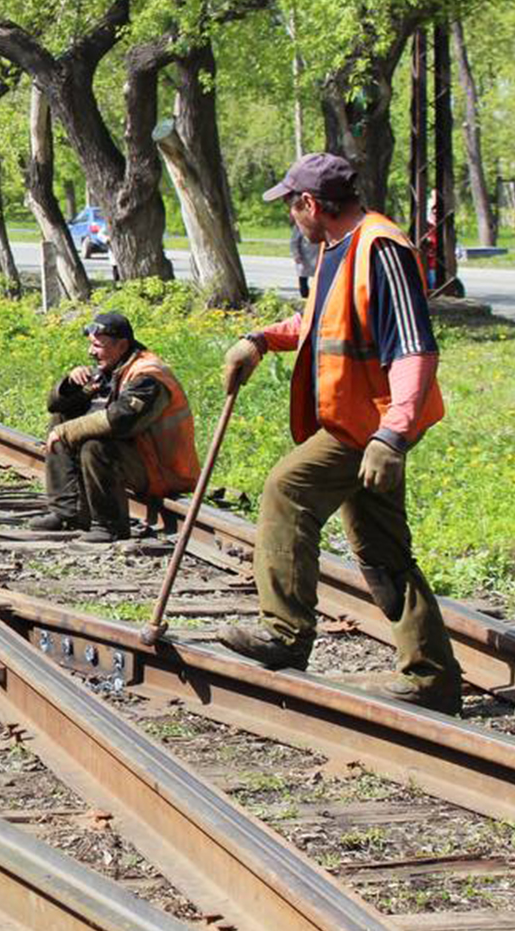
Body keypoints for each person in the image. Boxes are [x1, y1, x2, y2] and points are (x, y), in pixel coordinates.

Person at [219, 151, 463, 715]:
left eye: (290, 207)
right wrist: (259, 339)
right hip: (358, 422)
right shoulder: (337, 249)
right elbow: (319, 323)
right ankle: (431, 675)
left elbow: (414, 348)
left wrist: (392, 435)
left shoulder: (381, 249)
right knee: (379, 547)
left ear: (310, 205)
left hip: (368, 425)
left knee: (288, 488)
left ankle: (284, 633)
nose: (290, 218)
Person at [28, 312, 200, 543]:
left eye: (98, 346)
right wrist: (71, 384)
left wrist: (64, 433)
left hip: (162, 470)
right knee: (62, 418)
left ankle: (110, 527)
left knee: (96, 447)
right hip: (140, 457)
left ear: (122, 345)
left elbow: (121, 420)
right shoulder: (115, 366)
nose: (91, 352)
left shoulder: (148, 376)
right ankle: (67, 514)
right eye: (91, 345)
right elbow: (55, 406)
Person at [289, 223, 320, 299]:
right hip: (304, 256)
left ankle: (315, 297)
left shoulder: (321, 223)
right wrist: (296, 255)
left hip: (319, 256)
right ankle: (305, 297)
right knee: (303, 278)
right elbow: (294, 242)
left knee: (319, 278)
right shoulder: (300, 226)